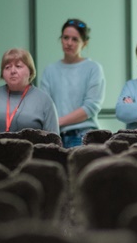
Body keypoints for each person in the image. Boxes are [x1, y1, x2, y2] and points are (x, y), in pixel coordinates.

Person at [39, 18, 106, 148]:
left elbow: (91, 107)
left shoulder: (93, 68)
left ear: (84, 43)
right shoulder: (50, 70)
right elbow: (44, 106)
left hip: (83, 136)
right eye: (65, 38)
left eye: (75, 39)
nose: (69, 43)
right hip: (55, 136)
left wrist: (58, 122)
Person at [0, 48, 59, 137]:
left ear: (30, 71)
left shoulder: (44, 101)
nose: (12, 71)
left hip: (30, 151)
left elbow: (54, 143)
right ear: (2, 73)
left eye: (18, 66)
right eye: (7, 67)